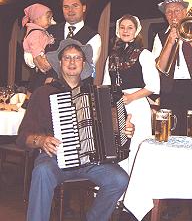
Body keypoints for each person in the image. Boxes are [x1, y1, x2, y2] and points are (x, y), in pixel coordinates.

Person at [16, 39, 135, 221]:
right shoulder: (44, 93)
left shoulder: (96, 94)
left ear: (83, 64)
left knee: (120, 179)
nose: (72, 62)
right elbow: (23, 135)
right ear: (60, 63)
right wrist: (40, 140)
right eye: (67, 58)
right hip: (54, 159)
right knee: (41, 172)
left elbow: (116, 136)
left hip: (92, 162)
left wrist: (124, 130)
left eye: (77, 58)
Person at [152, 0, 192, 221]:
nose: (173, 15)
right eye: (169, 12)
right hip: (170, 93)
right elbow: (160, 67)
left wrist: (189, 39)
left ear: (185, 12)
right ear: (165, 16)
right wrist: (170, 41)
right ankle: (174, 203)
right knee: (172, 148)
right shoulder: (159, 36)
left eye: (177, 11)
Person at [102, 14, 160, 218]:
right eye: (123, 28)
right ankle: (117, 196)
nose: (126, 31)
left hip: (137, 107)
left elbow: (153, 86)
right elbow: (106, 84)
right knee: (117, 150)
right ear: (118, 31)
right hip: (118, 105)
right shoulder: (112, 56)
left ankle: (136, 201)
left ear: (136, 31)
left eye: (130, 27)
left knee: (135, 150)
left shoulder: (144, 54)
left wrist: (131, 97)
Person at [26, 0, 102, 88]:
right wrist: (35, 59)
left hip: (72, 91)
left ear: (84, 8)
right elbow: (29, 49)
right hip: (39, 87)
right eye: (66, 7)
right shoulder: (48, 30)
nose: (70, 10)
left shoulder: (93, 37)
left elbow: (85, 66)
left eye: (75, 6)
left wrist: (54, 78)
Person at [21, 3, 55, 93]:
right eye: (47, 18)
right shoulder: (35, 32)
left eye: (50, 18)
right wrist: (39, 58)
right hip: (35, 56)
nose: (50, 21)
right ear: (36, 18)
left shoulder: (41, 31)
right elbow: (35, 46)